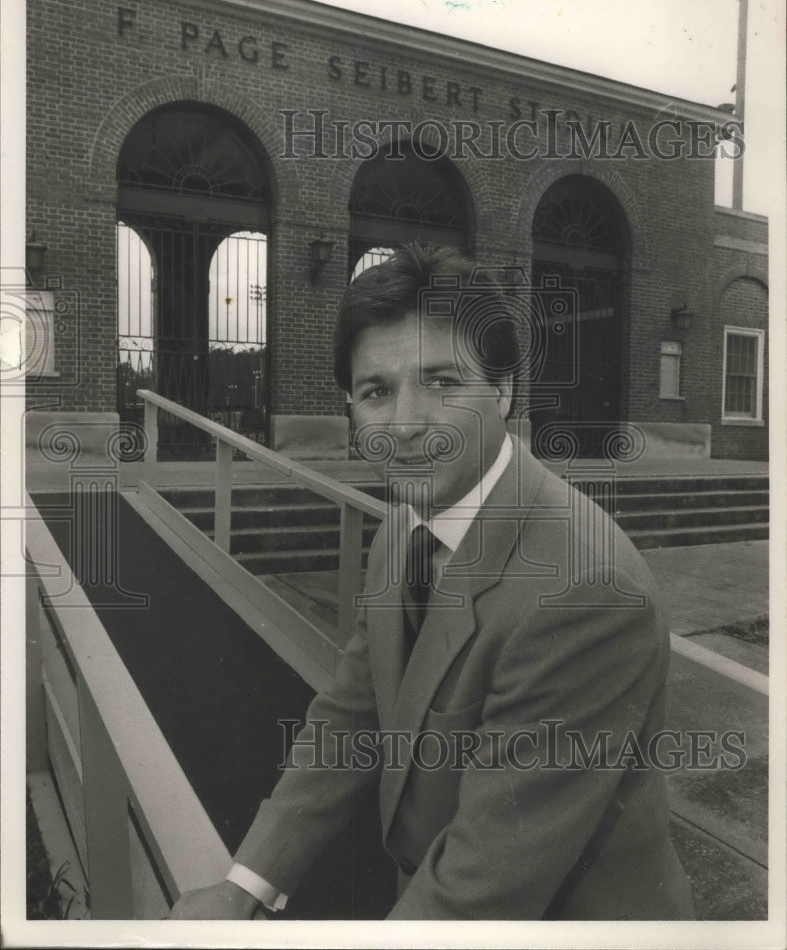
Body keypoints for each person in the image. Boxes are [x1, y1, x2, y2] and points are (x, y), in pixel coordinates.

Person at [171, 243, 694, 920]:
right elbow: (351, 717)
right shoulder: (403, 527)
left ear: (504, 389)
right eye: (376, 392)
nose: (405, 425)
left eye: (441, 382)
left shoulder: (584, 590)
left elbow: (485, 881)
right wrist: (246, 883)